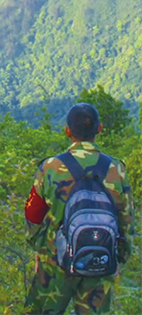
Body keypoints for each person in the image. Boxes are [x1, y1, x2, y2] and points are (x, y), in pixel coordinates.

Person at [23, 103, 135, 314]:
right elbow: (127, 218)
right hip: (101, 258)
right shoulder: (116, 169)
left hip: (55, 260)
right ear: (99, 128)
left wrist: (38, 249)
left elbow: (32, 213)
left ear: (67, 131)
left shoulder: (50, 167)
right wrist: (120, 256)